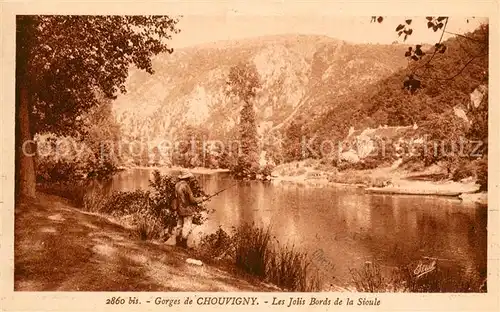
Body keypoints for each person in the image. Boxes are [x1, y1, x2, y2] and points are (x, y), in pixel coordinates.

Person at [172, 170, 207, 248]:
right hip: (187, 209)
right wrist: (202, 199)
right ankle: (184, 244)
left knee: (179, 225)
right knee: (187, 226)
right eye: (189, 178)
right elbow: (192, 200)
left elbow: (176, 197)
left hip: (179, 209)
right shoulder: (186, 186)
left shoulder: (177, 185)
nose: (190, 180)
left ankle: (178, 242)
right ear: (187, 178)